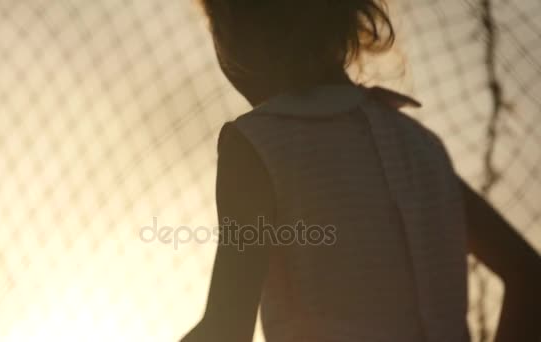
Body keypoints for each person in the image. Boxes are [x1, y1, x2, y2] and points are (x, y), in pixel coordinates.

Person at [181, 1, 541, 341]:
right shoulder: (421, 147)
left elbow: (226, 327)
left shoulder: (254, 145)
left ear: (238, 34)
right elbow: (529, 276)